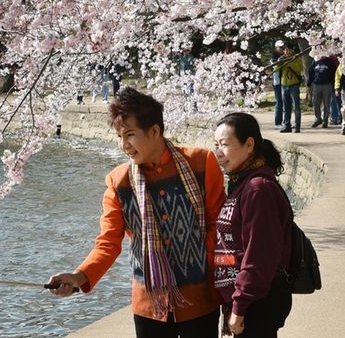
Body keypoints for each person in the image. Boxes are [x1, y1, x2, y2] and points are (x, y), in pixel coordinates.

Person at [48, 87, 226, 338]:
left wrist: (207, 275)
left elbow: (218, 228)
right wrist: (80, 276)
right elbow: (108, 242)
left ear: (155, 131)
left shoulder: (201, 163)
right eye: (119, 136)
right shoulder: (118, 182)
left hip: (201, 301)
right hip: (148, 305)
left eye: (129, 135)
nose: (124, 145)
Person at [213, 112, 293, 338]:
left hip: (255, 304)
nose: (218, 152)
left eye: (225, 145)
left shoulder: (258, 189)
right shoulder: (242, 183)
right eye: (216, 145)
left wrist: (240, 306)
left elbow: (259, 254)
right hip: (244, 300)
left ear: (249, 145)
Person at [277, 41, 304, 133]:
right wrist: (278, 63)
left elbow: (299, 68)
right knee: (286, 107)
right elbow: (276, 70)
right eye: (285, 50)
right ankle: (286, 125)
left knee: (296, 106)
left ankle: (297, 126)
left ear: (292, 50)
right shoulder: (281, 59)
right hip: (284, 85)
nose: (287, 51)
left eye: (288, 49)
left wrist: (289, 63)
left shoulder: (296, 58)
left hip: (294, 84)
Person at [306, 55, 336, 128]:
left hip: (327, 85)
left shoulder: (330, 62)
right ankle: (318, 118)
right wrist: (309, 83)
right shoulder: (315, 61)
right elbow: (311, 72)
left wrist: (332, 83)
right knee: (315, 103)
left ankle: (325, 121)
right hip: (316, 85)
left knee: (327, 104)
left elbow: (334, 73)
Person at [270, 42, 284, 128]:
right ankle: (278, 123)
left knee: (286, 102)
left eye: (283, 47)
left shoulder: (285, 57)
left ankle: (286, 121)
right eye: (281, 47)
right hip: (277, 83)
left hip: (285, 82)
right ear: (276, 48)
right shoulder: (273, 58)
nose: (282, 49)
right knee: (279, 103)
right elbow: (276, 67)